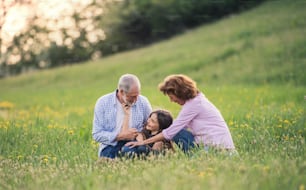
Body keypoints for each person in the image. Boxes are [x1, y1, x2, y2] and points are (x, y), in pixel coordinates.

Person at [126, 74, 236, 154]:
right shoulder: (196, 100)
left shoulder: (194, 105)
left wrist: (143, 142)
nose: (172, 101)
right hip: (209, 145)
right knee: (176, 130)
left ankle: (195, 157)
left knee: (176, 131)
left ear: (180, 92)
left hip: (219, 149)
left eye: (171, 97)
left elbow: (171, 131)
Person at [92, 73, 152, 159]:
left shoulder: (143, 101)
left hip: (136, 144)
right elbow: (97, 134)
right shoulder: (103, 103)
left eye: (138, 95)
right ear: (121, 92)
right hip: (111, 146)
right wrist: (120, 136)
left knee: (131, 152)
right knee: (111, 157)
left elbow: (151, 126)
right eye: (132, 96)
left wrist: (139, 136)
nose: (136, 100)